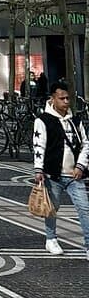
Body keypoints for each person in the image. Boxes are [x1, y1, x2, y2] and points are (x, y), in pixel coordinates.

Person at [33, 80, 89, 256]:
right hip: (53, 175)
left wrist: (80, 165)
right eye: (62, 98)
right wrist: (38, 170)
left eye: (68, 98)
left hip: (74, 176)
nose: (66, 102)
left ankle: (88, 245)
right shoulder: (43, 121)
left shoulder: (75, 120)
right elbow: (38, 145)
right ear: (52, 99)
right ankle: (51, 239)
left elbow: (86, 144)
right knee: (51, 208)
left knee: (84, 209)